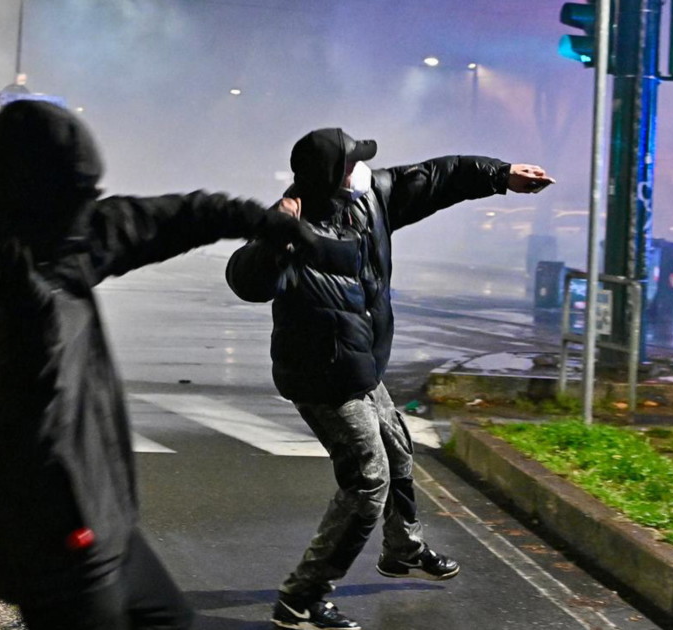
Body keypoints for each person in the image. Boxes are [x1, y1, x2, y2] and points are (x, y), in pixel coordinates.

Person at [0, 100, 314, 630]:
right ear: (39, 194)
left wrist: (259, 221)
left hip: (110, 527)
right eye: (77, 195)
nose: (90, 208)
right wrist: (26, 318)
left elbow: (167, 218)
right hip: (56, 555)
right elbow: (10, 428)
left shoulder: (65, 244)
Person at [226, 127, 554, 630]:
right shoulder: (291, 223)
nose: (365, 167)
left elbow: (439, 176)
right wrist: (274, 238)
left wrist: (502, 174)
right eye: (352, 162)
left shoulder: (373, 198)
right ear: (332, 178)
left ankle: (403, 548)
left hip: (361, 365)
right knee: (367, 481)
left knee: (399, 449)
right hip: (322, 376)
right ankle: (301, 599)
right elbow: (247, 282)